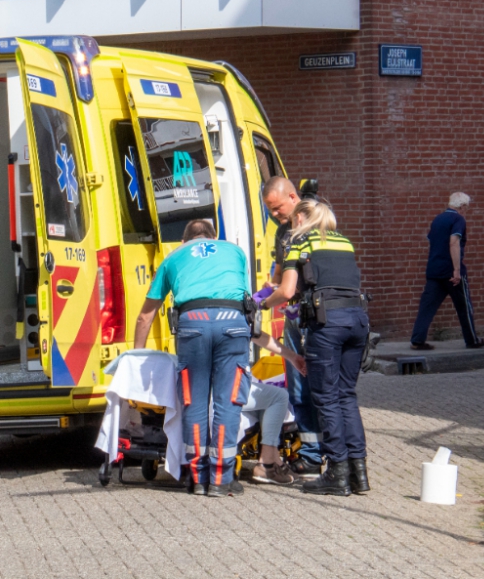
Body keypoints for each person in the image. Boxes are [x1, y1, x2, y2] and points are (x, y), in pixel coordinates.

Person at [134, 219, 307, 496]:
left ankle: (196, 478)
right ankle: (221, 479)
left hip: (192, 325)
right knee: (229, 402)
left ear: (184, 241)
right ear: (213, 238)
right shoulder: (235, 252)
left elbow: (145, 315)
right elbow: (245, 303)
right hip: (233, 324)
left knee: (194, 402)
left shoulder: (173, 257)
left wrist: (138, 359)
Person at [262, 199, 370, 496]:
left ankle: (337, 472)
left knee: (325, 398)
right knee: (346, 395)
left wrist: (260, 303)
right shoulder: (343, 241)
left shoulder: (299, 240)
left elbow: (286, 290)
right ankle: (358, 473)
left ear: (299, 219)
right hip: (358, 321)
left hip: (328, 323)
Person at [260, 176, 323, 479]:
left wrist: (268, 301)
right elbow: (279, 270)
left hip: (316, 314)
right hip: (294, 315)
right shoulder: (283, 231)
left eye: (277, 208)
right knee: (298, 387)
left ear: (292, 196)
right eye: (270, 211)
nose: (275, 215)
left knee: (322, 387)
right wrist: (267, 288)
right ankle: (311, 454)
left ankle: (333, 454)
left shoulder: (316, 220)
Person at [410, 192, 484, 350]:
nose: (466, 211)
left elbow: (432, 241)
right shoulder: (458, 219)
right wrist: (456, 270)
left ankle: (417, 339)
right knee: (464, 306)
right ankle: (471, 339)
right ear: (462, 206)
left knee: (427, 306)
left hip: (434, 270)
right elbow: (454, 242)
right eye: (466, 208)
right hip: (450, 271)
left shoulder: (437, 219)